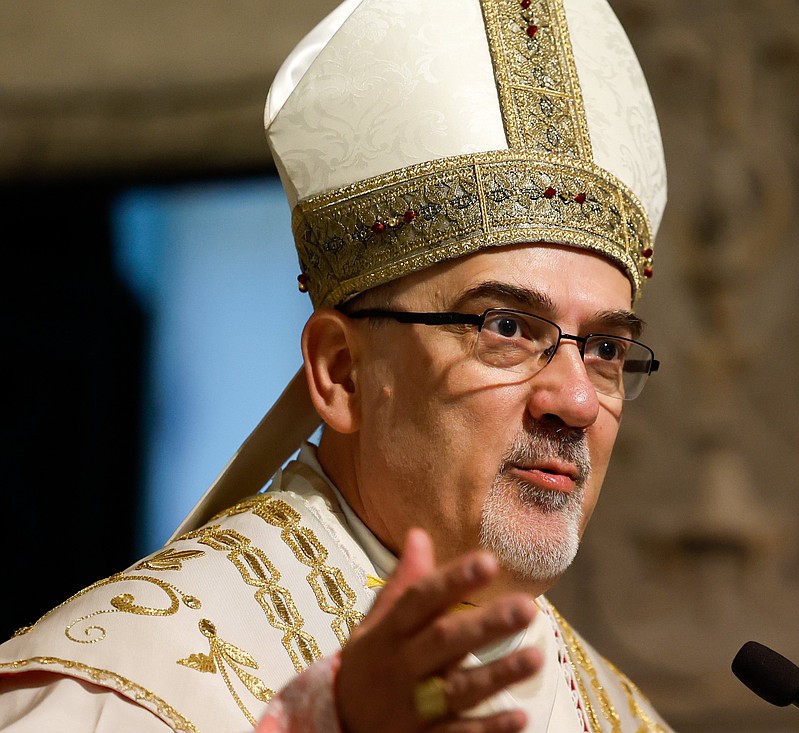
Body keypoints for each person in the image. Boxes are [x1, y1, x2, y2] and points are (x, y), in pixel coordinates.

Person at [0, 0, 670, 731]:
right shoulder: (123, 688)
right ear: (341, 372)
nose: (574, 397)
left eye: (604, 348)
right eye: (505, 327)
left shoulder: (625, 717)